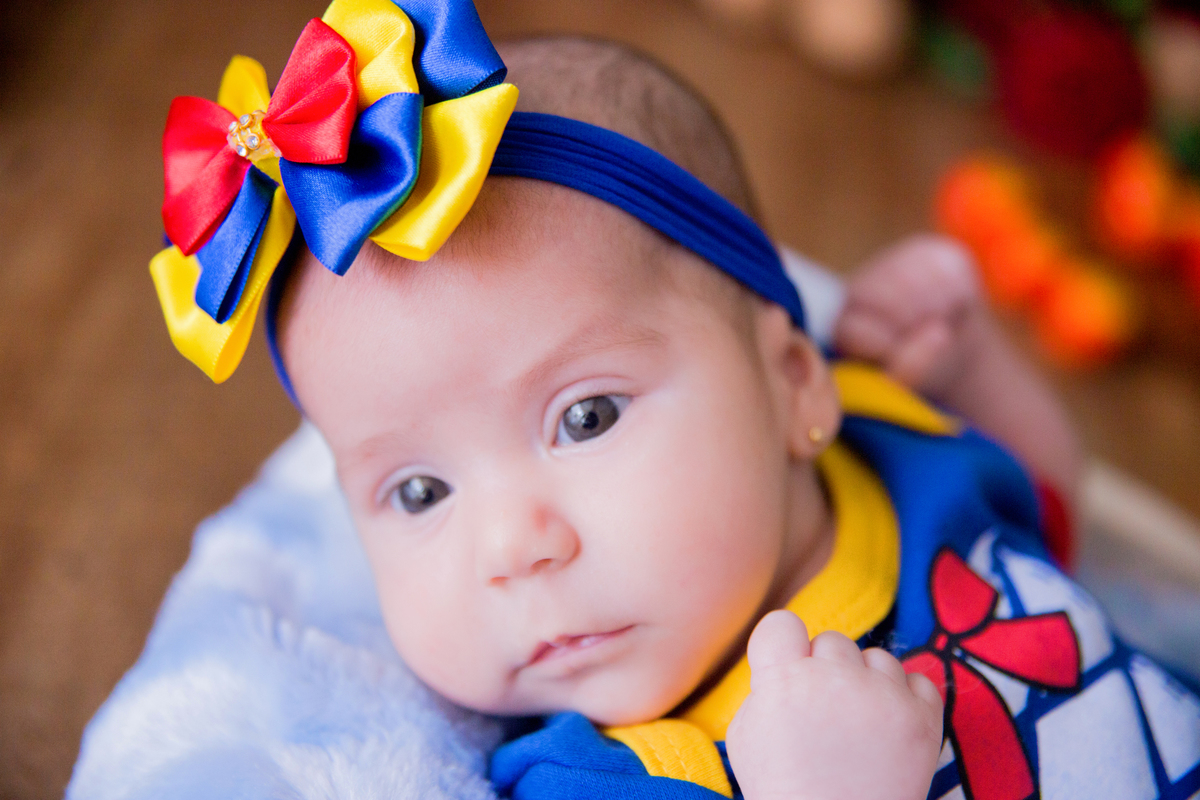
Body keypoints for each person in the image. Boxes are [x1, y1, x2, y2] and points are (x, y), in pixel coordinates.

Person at [145, 3, 1200, 797]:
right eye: (419, 490)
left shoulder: (888, 440)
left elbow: (1046, 519)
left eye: (586, 417)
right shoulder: (600, 776)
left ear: (795, 381)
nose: (513, 547)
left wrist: (972, 369)